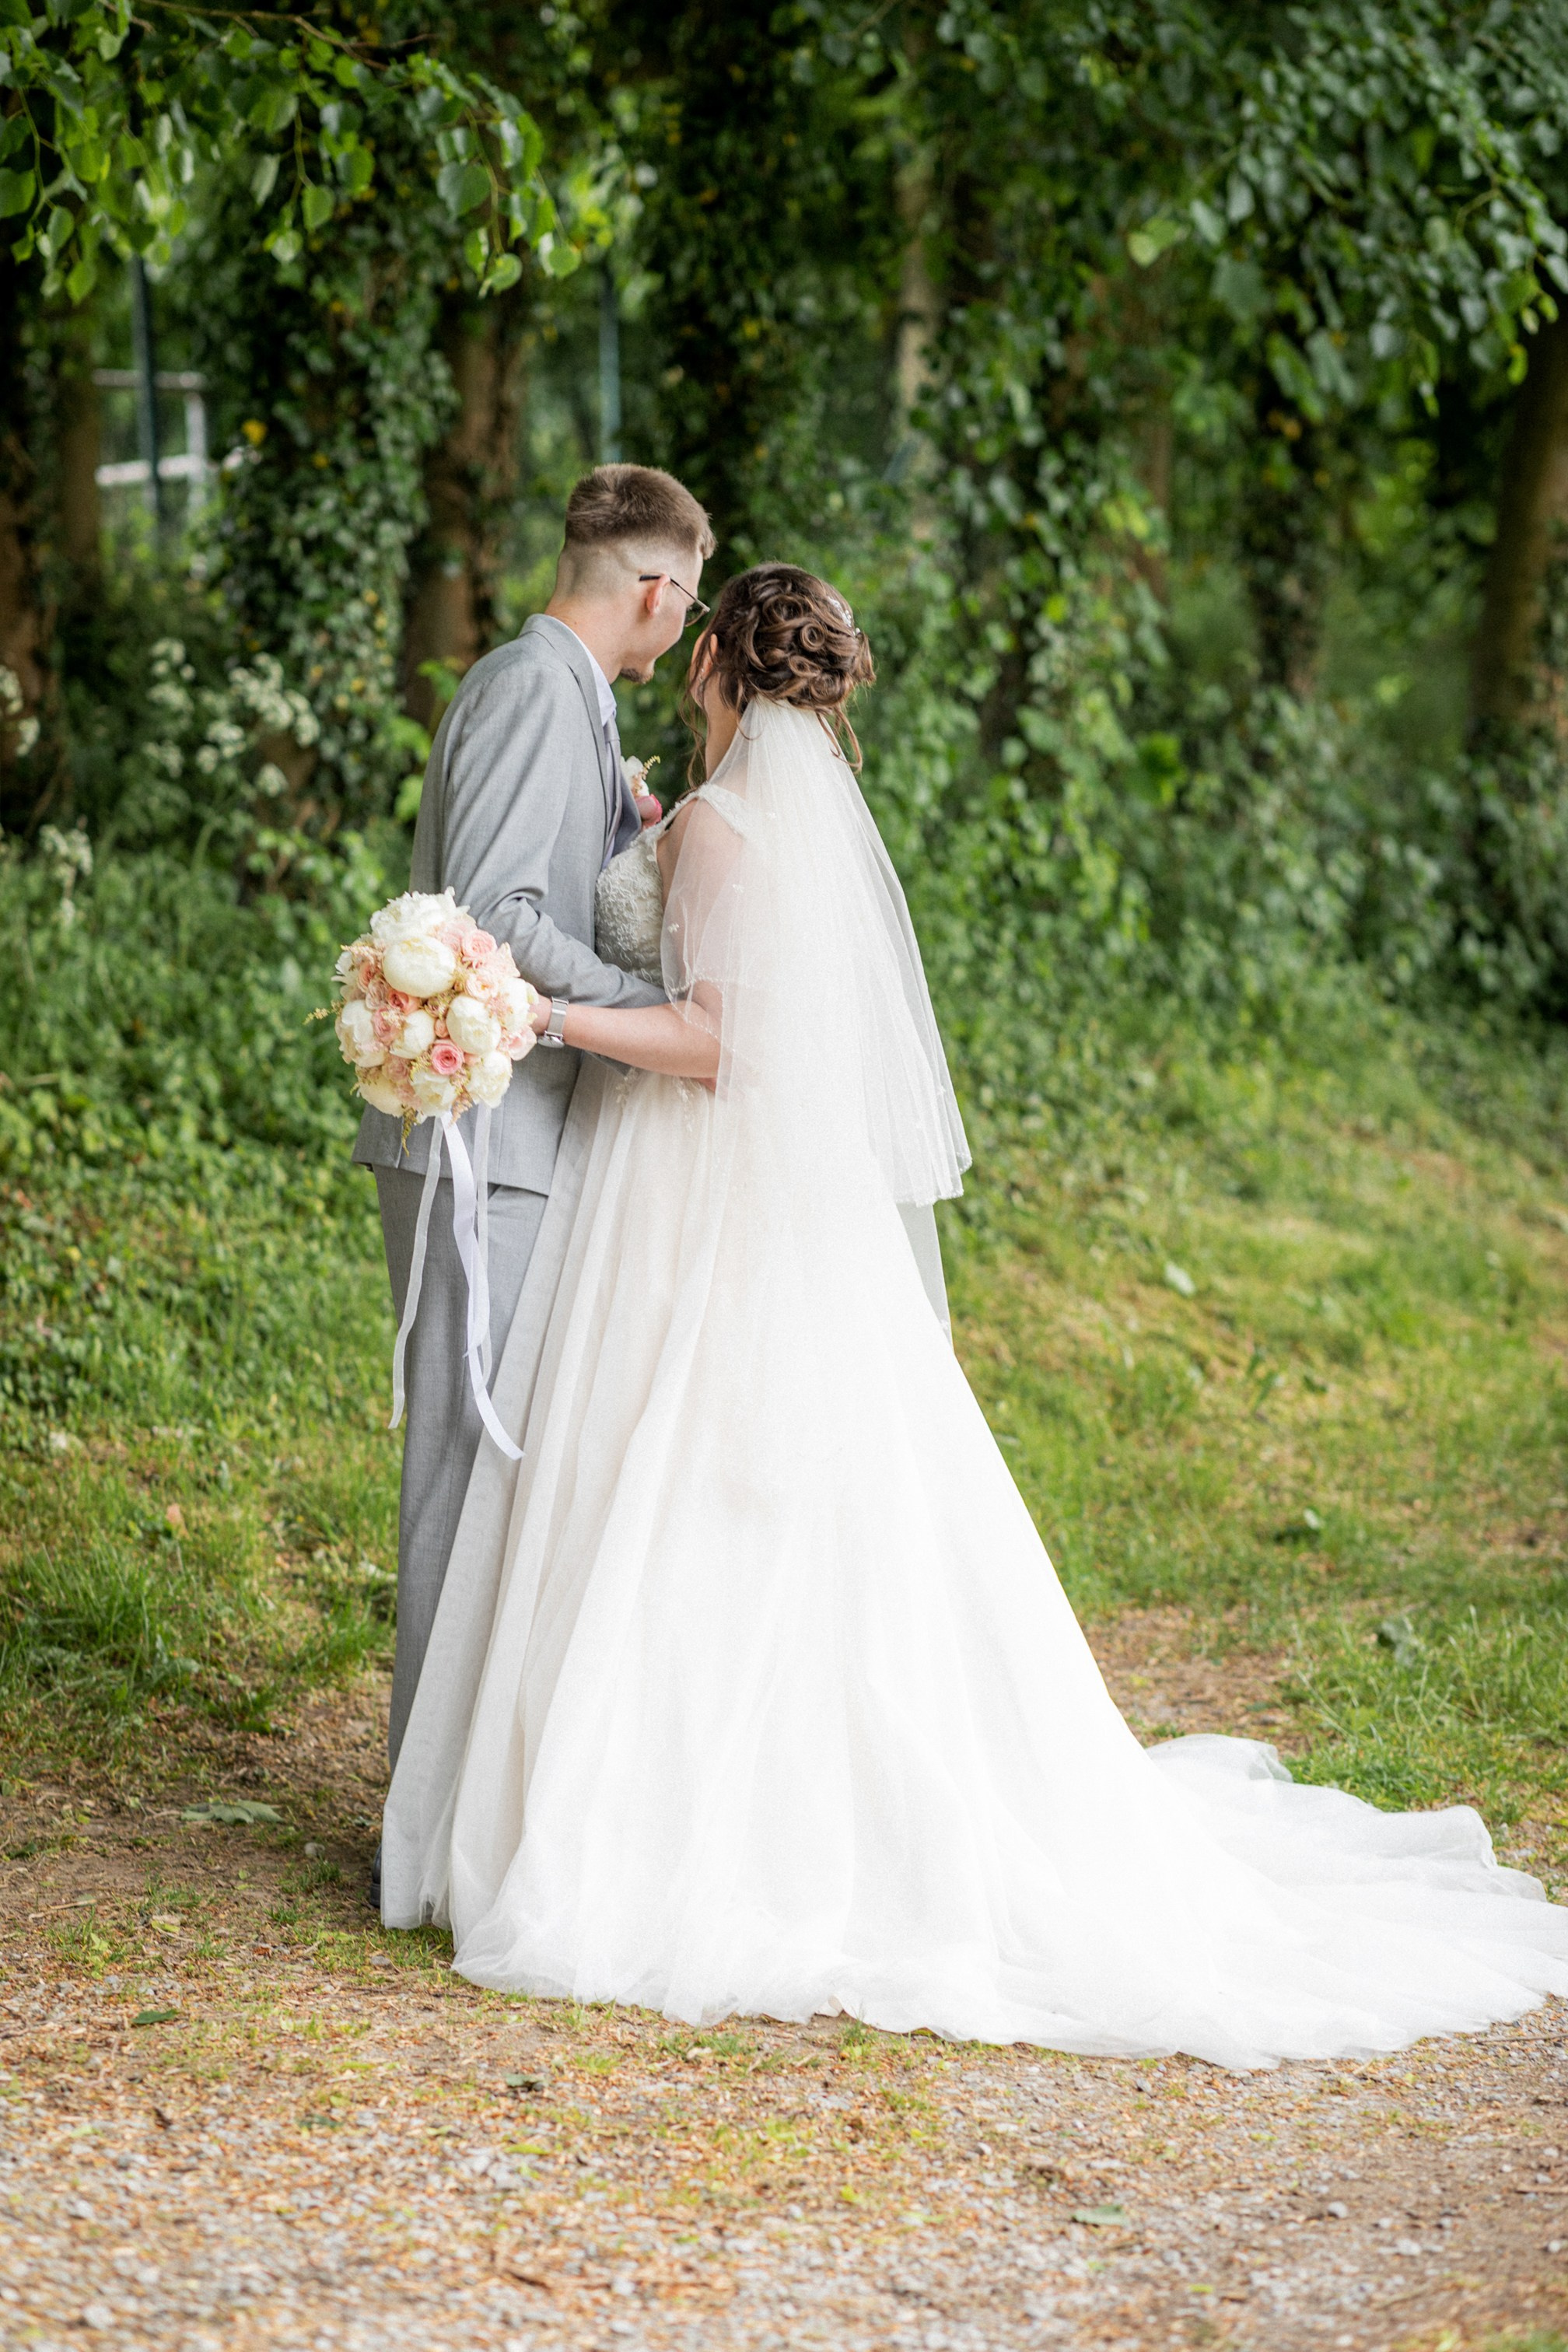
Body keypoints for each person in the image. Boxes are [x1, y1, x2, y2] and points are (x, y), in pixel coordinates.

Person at [381, 564, 1568, 2067]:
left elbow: (715, 1038)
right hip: (741, 1200)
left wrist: (550, 1016)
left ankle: (693, 1824)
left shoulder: (730, 827)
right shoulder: (747, 822)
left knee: (685, 1479)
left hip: (691, 1185)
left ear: (717, 674)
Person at [352, 464, 713, 1905]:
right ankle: (421, 1836)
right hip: (477, 1141)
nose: (677, 628)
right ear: (657, 587)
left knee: (501, 1474)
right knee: (460, 1464)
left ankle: (464, 1812)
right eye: (682, 602)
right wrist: (637, 1000)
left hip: (521, 1138)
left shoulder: (580, 702)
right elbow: (493, 918)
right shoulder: (525, 689)